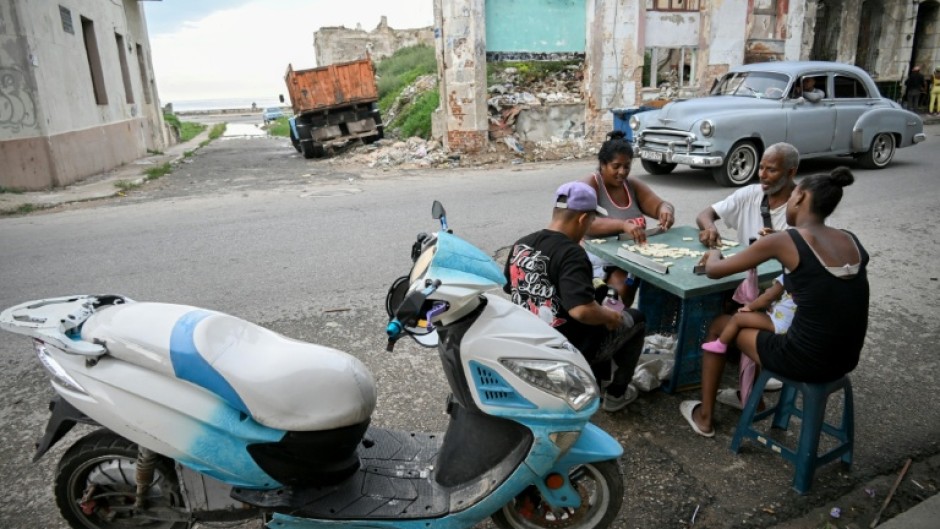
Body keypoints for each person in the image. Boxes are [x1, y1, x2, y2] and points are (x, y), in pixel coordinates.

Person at [681, 166, 869, 437]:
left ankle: (705, 418)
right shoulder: (850, 239)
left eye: (793, 196)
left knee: (720, 325)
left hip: (804, 359)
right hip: (845, 358)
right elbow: (818, 285)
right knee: (762, 319)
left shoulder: (786, 240)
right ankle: (750, 396)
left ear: (801, 197)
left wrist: (713, 253)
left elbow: (714, 271)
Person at [504, 181, 646, 412]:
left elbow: (512, 287)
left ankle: (599, 379)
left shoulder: (522, 244)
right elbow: (581, 310)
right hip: (569, 349)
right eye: (590, 221)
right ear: (582, 219)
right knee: (635, 318)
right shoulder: (572, 253)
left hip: (530, 339)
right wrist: (610, 318)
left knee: (609, 298)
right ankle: (616, 395)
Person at [696, 142, 800, 397]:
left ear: (790, 172)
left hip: (778, 294)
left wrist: (781, 242)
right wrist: (709, 226)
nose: (762, 175)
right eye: (761, 167)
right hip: (745, 282)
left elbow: (715, 271)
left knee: (725, 319)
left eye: (771, 170)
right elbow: (705, 213)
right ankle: (744, 359)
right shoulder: (751, 194)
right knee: (713, 300)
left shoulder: (802, 208)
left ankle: (756, 366)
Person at [583, 130, 676, 307]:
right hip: (598, 258)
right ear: (602, 164)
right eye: (616, 166)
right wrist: (622, 225)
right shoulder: (591, 184)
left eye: (627, 166)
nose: (622, 172)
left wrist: (666, 210)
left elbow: (659, 204)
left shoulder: (631, 185)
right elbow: (586, 223)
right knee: (616, 297)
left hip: (630, 257)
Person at [701, 274, 796, 355]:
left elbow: (768, 297)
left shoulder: (788, 275)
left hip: (777, 323)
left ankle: (721, 343)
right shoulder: (805, 279)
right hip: (790, 325)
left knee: (738, 317)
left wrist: (749, 307)